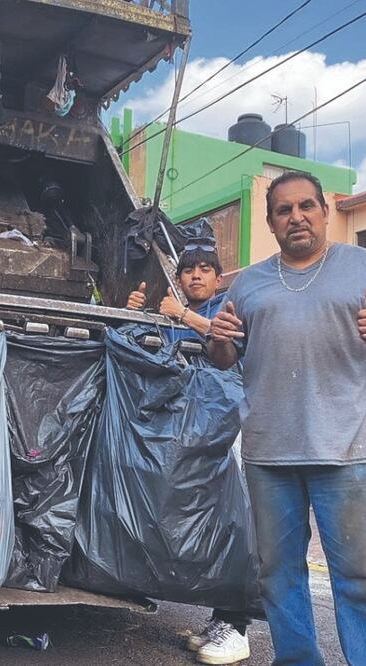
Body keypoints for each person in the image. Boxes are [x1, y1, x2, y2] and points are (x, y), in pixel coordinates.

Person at [208, 171, 366, 665]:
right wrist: (218, 338)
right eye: (284, 210)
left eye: (306, 206)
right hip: (267, 456)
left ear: (325, 212)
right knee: (278, 578)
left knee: (365, 582)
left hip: (347, 454)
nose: (296, 217)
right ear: (271, 223)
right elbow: (225, 357)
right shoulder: (249, 283)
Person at [126, 243, 254, 666]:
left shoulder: (231, 307)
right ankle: (218, 620)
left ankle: (237, 626)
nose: (196, 276)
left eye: (205, 269)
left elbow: (233, 345)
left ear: (218, 277)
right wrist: (133, 314)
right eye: (188, 270)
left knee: (233, 522)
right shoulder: (168, 312)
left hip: (226, 432)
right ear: (179, 279)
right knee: (198, 522)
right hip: (185, 433)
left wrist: (183, 315)